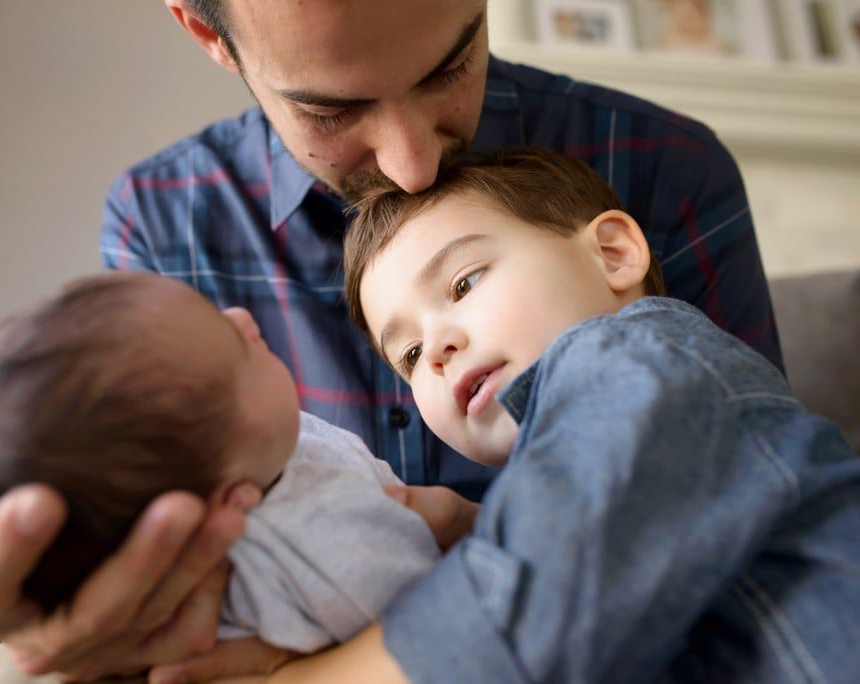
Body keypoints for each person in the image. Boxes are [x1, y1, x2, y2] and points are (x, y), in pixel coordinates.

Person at [0, 1, 785, 680]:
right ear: (209, 34)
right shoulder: (166, 222)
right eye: (333, 112)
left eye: (448, 63)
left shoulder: (664, 171)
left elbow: (730, 535)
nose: (412, 162)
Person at [235, 146, 859, 683]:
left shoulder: (641, 355)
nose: (440, 351)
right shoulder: (571, 468)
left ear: (612, 254)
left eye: (462, 284)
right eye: (411, 353)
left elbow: (528, 622)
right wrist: (478, 526)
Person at [0, 271, 440, 682]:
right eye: (234, 350)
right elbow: (446, 615)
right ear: (231, 503)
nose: (241, 317)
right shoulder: (325, 546)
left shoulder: (256, 447)